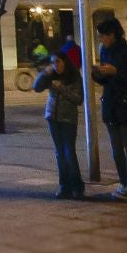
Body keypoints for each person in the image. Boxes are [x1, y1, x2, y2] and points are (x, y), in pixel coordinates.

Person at [91, 16, 127, 200]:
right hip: (111, 104)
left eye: (103, 36)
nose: (101, 40)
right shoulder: (104, 51)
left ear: (112, 34)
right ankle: (123, 183)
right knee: (116, 148)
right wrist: (97, 74)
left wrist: (116, 72)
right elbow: (105, 80)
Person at [34, 42, 84, 199]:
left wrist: (61, 88)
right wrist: (44, 73)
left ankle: (77, 187)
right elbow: (36, 87)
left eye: (58, 62)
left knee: (69, 152)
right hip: (52, 117)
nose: (56, 65)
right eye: (53, 62)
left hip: (68, 118)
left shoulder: (74, 76)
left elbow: (78, 99)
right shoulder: (51, 75)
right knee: (59, 153)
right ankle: (64, 187)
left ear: (65, 61)